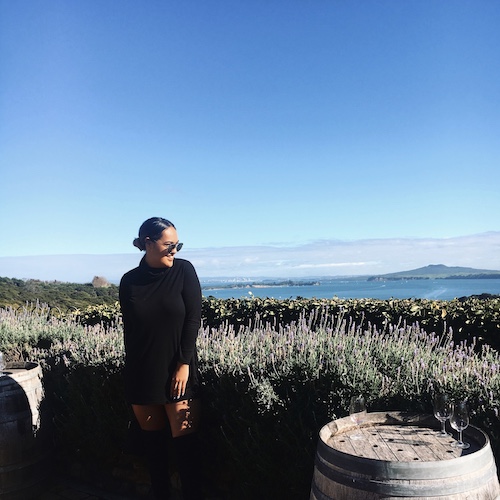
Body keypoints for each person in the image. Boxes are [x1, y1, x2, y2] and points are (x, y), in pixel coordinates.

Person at [119, 217, 203, 500]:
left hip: (177, 371)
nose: (174, 251)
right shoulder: (129, 282)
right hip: (142, 374)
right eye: (169, 245)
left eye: (177, 245)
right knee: (153, 452)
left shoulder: (184, 271)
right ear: (147, 244)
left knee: (188, 452)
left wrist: (183, 364)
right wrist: (133, 379)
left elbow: (192, 319)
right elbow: (131, 332)